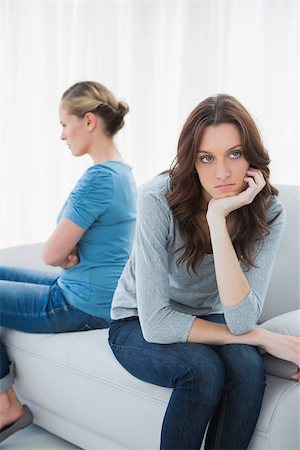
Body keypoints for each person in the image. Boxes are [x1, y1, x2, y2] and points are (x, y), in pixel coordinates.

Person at [109, 94, 300, 450]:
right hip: (136, 321)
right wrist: (263, 337)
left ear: (252, 158)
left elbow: (241, 320)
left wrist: (217, 218)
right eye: (206, 158)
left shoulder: (269, 211)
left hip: (208, 316)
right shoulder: (157, 199)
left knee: (247, 368)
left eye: (235, 154)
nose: (223, 173)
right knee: (202, 371)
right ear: (191, 162)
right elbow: (157, 324)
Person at [0, 81, 137, 443]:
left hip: (81, 303)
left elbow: (51, 254)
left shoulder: (98, 179)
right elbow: (66, 251)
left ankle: (4, 405)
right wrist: (66, 253)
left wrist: (63, 253)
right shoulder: (122, 173)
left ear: (88, 121)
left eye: (64, 124)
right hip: (94, 292)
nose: (62, 135)